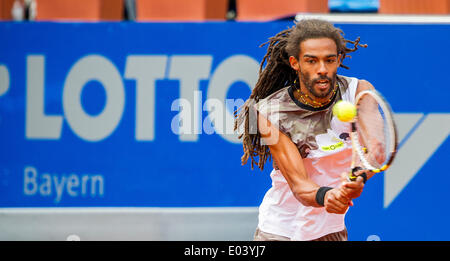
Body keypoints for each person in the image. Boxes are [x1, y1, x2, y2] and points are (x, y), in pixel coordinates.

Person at [234, 19, 375, 241]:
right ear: (295, 63)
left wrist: (357, 177)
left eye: (329, 60)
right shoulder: (269, 113)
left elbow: (374, 149)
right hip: (280, 232)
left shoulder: (360, 92)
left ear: (339, 59)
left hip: (331, 231)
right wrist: (328, 195)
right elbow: (300, 186)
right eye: (311, 61)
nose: (322, 69)